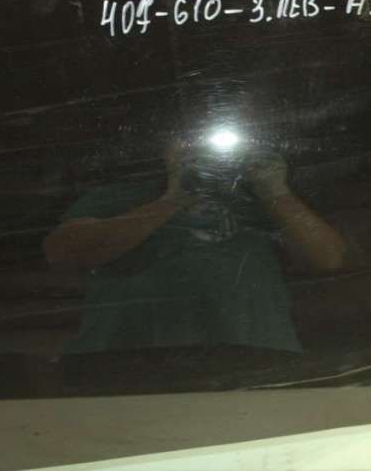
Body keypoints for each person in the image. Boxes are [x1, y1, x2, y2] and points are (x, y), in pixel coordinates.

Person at [42, 135, 347, 393]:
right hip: (122, 367)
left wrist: (275, 191)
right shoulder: (120, 195)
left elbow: (328, 259)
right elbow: (64, 252)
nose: (206, 150)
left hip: (258, 366)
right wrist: (175, 198)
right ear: (166, 149)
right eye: (191, 140)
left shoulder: (265, 201)